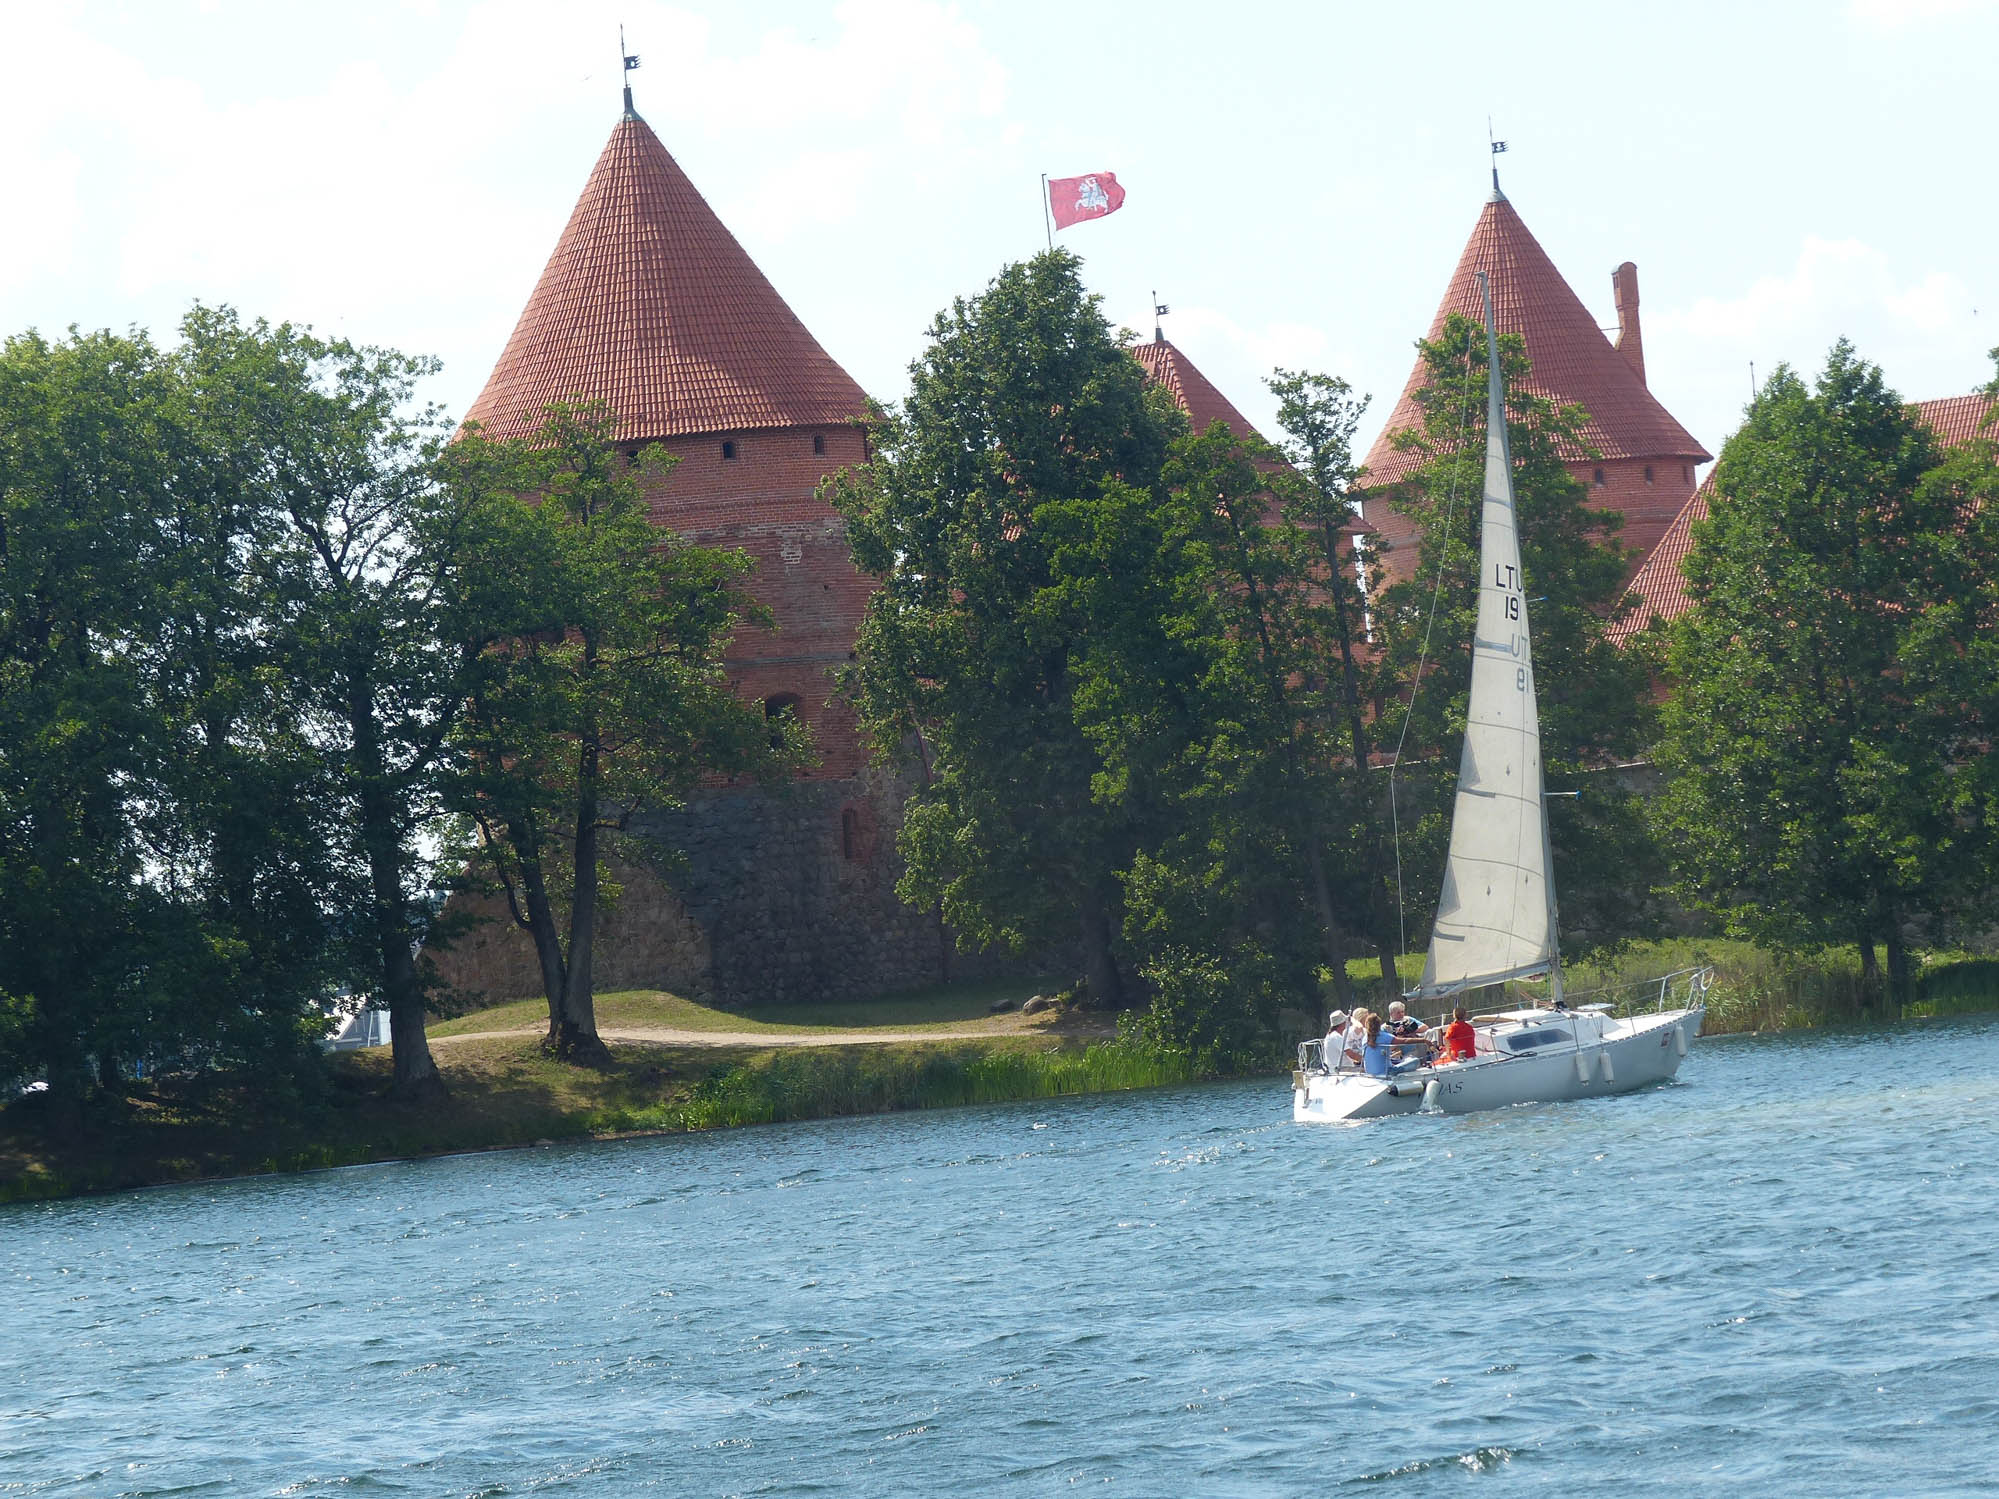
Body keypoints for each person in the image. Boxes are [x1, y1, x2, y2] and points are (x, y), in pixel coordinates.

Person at [1360, 1012, 1423, 1078]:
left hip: (1369, 1073)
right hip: (1386, 1072)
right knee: (1415, 1061)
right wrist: (1424, 1040)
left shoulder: (1365, 1038)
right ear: (1379, 1025)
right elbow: (1405, 1041)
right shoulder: (1383, 1036)